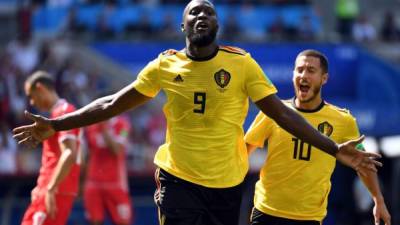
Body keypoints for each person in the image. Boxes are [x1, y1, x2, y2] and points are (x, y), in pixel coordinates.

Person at [13, 1, 381, 225]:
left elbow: (283, 115)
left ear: (217, 25)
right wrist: (57, 125)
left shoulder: (242, 65)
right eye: (194, 12)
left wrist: (333, 149)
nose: (202, 15)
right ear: (183, 26)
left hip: (226, 184)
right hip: (178, 179)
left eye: (209, 11)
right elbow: (110, 103)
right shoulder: (164, 67)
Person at [245, 49, 391, 225]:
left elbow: (362, 163)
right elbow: (244, 150)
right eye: (299, 70)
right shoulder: (274, 112)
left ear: (324, 78)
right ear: (293, 75)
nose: (303, 75)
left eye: (311, 70)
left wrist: (378, 199)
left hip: (308, 217)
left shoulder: (343, 120)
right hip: (266, 211)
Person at [20, 71, 81, 225]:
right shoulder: (55, 114)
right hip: (49, 187)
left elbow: (69, 153)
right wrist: (41, 186)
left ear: (40, 88)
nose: (32, 102)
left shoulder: (64, 112)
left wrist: (51, 187)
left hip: (56, 190)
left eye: (31, 95)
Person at [83, 114, 133, 225]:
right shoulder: (91, 127)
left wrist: (104, 128)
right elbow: (89, 155)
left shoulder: (124, 126)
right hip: (94, 183)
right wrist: (83, 183)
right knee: (94, 221)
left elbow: (117, 150)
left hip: (116, 184)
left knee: (123, 222)